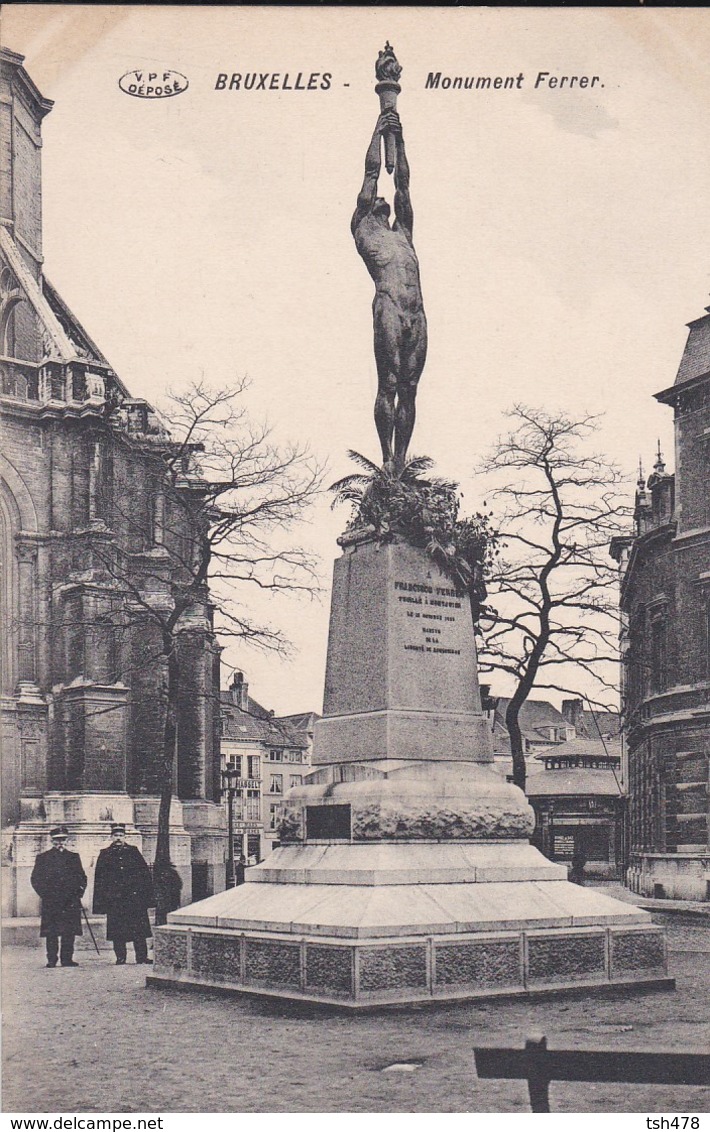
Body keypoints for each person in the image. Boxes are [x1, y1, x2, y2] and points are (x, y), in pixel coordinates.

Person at [352, 108, 427, 471]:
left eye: (384, 200)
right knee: (391, 383)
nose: (382, 199)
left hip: (416, 312)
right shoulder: (364, 227)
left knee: (410, 387)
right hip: (389, 308)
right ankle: (385, 459)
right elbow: (371, 174)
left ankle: (400, 460)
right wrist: (377, 131)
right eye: (376, 199)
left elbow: (404, 186)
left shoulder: (403, 233)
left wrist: (399, 138)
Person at [92, 823, 155, 965]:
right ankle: (121, 957)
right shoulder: (105, 854)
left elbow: (144, 874)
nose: (118, 838)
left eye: (121, 835)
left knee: (139, 930)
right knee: (117, 931)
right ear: (111, 837)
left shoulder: (133, 851)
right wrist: (103, 900)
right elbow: (100, 879)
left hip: (134, 899)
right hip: (115, 901)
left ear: (125, 836)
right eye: (116, 835)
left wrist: (145, 896)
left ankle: (141, 957)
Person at [31, 825, 87, 968]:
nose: (60, 842)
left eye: (63, 839)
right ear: (52, 841)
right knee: (52, 932)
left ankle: (67, 959)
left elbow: (82, 877)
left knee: (69, 932)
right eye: (57, 840)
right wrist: (46, 895)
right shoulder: (43, 858)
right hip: (52, 901)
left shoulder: (74, 857)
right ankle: (52, 959)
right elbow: (35, 879)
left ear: (67, 840)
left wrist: (78, 893)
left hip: (70, 901)